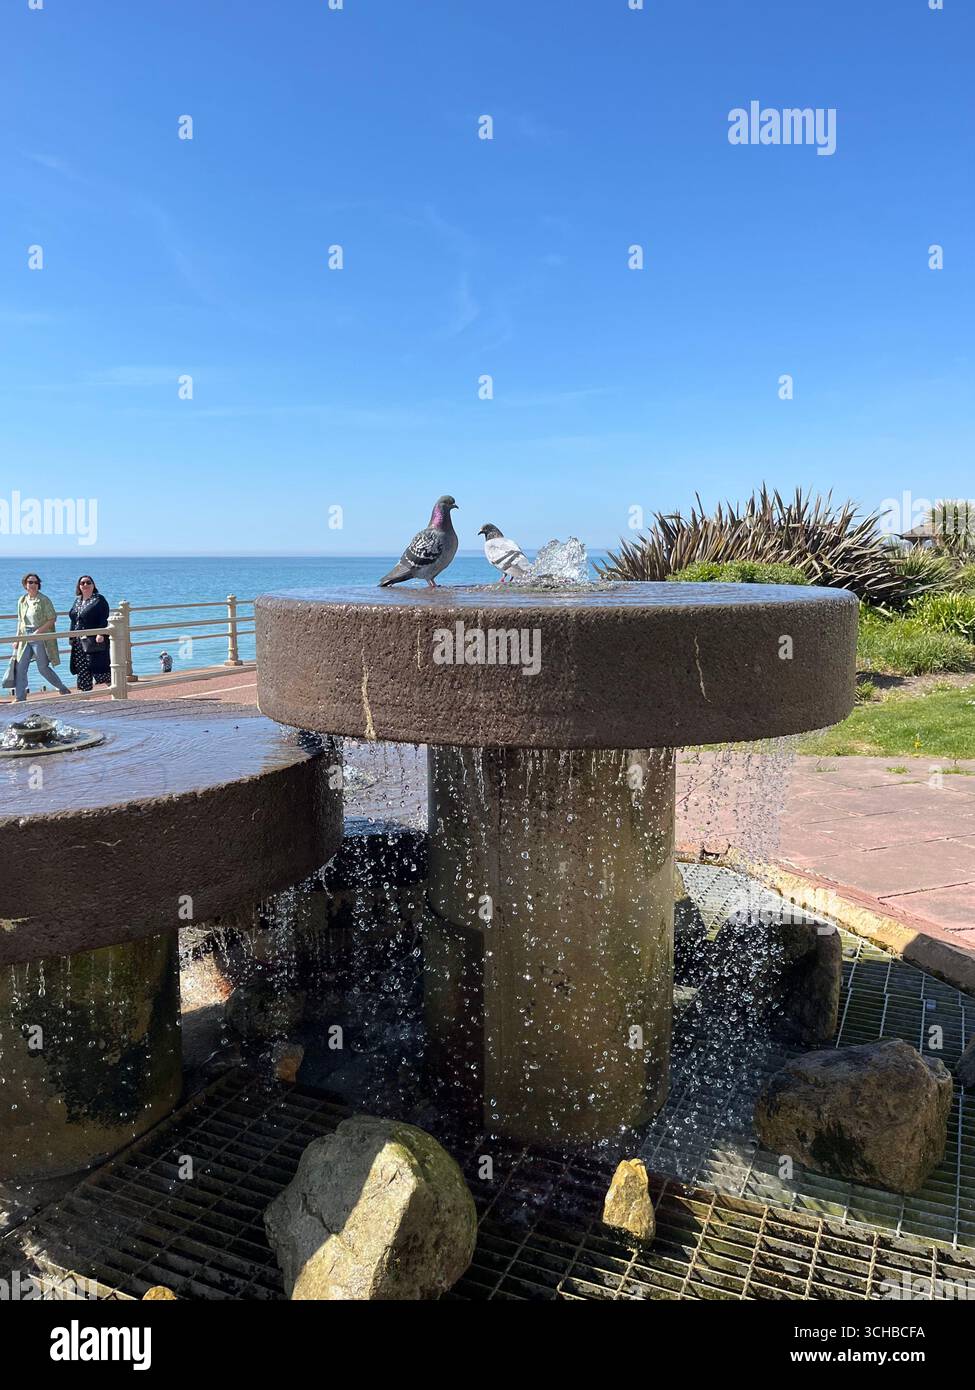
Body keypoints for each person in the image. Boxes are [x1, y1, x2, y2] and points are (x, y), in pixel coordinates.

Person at [8, 572, 71, 701]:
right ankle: (20, 698)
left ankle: (62, 688)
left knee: (42, 667)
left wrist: (38, 632)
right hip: (25, 636)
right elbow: (20, 621)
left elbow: (52, 619)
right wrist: (17, 638)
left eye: (36, 582)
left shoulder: (43, 600)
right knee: (20, 667)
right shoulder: (22, 600)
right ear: (25, 585)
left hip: (39, 636)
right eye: (30, 582)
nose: (33, 585)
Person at [68, 576, 111, 692]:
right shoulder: (77, 600)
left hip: (93, 640)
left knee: (99, 668)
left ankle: (116, 691)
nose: (85, 585)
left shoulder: (99, 599)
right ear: (79, 586)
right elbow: (74, 619)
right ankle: (85, 697)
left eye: (88, 582)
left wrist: (100, 633)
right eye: (82, 583)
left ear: (93, 585)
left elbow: (104, 617)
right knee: (82, 670)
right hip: (78, 641)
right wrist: (71, 636)